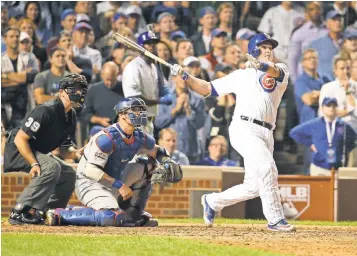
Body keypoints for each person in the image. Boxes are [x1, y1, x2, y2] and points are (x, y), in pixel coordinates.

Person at [170, 33, 295, 231]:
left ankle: (212, 201)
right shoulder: (240, 76)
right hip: (244, 128)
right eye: (264, 47)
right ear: (254, 49)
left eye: (270, 47)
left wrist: (259, 65)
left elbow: (273, 71)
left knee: (254, 186)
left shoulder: (281, 71)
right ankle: (275, 220)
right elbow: (207, 88)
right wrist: (187, 77)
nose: (269, 50)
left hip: (266, 133)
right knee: (266, 168)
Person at [46, 98, 182, 227]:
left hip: (115, 178)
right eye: (134, 110)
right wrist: (120, 186)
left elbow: (157, 151)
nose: (139, 113)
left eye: (141, 110)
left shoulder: (139, 136)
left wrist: (167, 161)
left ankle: (134, 215)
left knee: (149, 166)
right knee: (111, 217)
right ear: (122, 114)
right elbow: (91, 171)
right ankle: (61, 214)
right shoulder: (107, 138)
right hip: (89, 182)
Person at [3, 74, 88, 225]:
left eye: (81, 89)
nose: (78, 92)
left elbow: (63, 151)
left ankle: (49, 212)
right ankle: (20, 210)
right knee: (51, 167)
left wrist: (76, 152)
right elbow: (20, 139)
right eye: (73, 89)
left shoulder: (71, 116)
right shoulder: (46, 110)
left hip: (37, 150)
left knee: (68, 174)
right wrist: (34, 164)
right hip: (18, 149)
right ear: (61, 91)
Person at [290, 97, 356, 176]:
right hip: (319, 167)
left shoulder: (343, 126)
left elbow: (354, 139)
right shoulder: (314, 124)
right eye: (328, 105)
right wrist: (310, 143)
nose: (331, 108)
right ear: (322, 108)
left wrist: (344, 149)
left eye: (334, 106)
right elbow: (294, 132)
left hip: (337, 168)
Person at [122, 31, 172, 135]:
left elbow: (162, 88)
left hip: (149, 120)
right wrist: (159, 101)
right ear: (140, 46)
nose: (153, 47)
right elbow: (135, 99)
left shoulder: (153, 66)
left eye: (154, 44)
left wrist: (165, 92)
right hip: (135, 121)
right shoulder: (133, 67)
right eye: (149, 44)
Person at [1, 27, 39, 129]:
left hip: (25, 104)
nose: (15, 39)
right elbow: (24, 79)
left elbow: (33, 77)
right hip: (4, 105)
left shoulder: (30, 57)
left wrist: (5, 76)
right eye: (11, 36)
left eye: (17, 36)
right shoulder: (1, 59)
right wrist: (22, 78)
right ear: (5, 39)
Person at [81, 61, 124, 129]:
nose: (109, 83)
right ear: (102, 75)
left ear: (117, 75)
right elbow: (85, 115)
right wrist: (100, 120)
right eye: (107, 80)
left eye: (112, 80)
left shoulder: (124, 89)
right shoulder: (93, 90)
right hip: (99, 131)